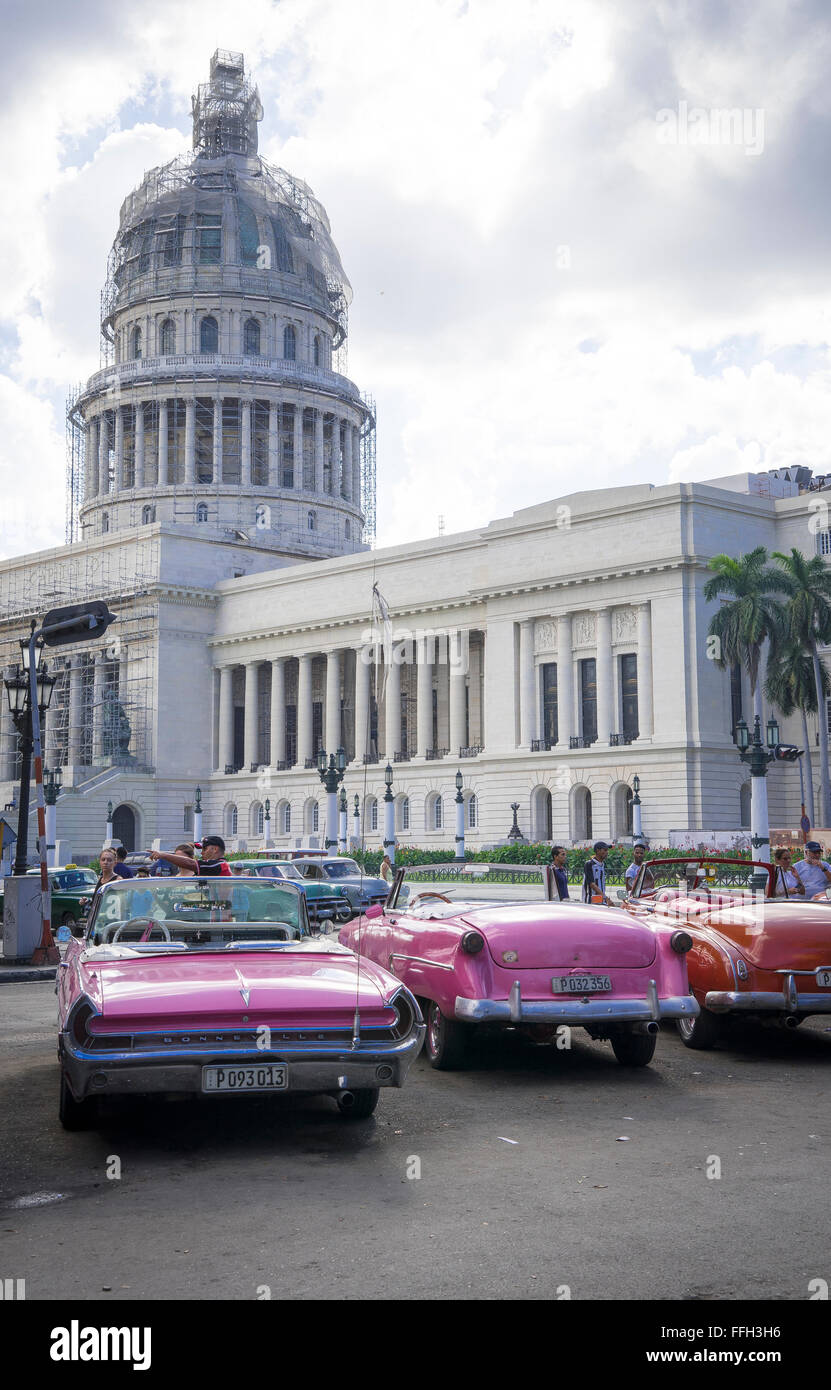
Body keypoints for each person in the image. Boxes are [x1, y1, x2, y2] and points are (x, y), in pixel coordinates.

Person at [79, 846, 120, 915]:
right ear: (100, 862)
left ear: (115, 863)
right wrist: (86, 901)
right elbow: (97, 902)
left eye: (109, 860)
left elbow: (122, 904)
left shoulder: (118, 880)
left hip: (112, 921)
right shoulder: (100, 879)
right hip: (98, 921)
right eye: (103, 859)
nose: (106, 862)